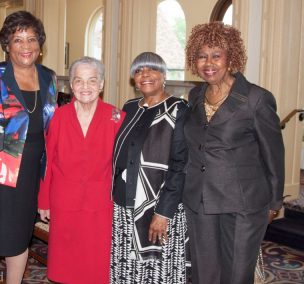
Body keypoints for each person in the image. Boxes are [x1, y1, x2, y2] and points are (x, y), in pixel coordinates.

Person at [183, 22, 285, 284]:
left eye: (216, 55)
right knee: (204, 274)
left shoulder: (256, 98)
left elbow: (273, 154)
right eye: (202, 55)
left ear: (231, 57)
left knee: (236, 275)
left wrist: (275, 201)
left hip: (243, 203)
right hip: (200, 200)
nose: (209, 63)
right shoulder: (194, 95)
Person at [0, 11, 57, 283]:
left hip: (29, 176)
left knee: (19, 238)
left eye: (31, 39)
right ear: (7, 45)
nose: (25, 46)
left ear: (40, 45)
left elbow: (52, 127)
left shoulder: (49, 77)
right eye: (18, 40)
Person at [38, 56, 125, 284]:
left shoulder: (117, 117)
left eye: (92, 80)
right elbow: (47, 161)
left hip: (101, 203)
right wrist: (44, 200)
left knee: (97, 265)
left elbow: (124, 165)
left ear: (102, 84)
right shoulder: (57, 117)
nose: (85, 87)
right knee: (66, 265)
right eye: (79, 81)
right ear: (71, 85)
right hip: (64, 201)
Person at [110, 52, 189, 284]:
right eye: (138, 71)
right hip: (123, 204)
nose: (144, 75)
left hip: (157, 207)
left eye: (151, 69)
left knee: (156, 271)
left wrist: (163, 212)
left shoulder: (179, 109)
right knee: (126, 269)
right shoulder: (130, 107)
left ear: (163, 75)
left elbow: (180, 165)